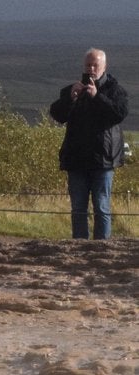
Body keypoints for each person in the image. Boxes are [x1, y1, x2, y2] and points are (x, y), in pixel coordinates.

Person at [48, 48, 128, 239]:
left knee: (101, 205)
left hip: (103, 159)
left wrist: (96, 96)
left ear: (104, 67)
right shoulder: (73, 89)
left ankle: (102, 249)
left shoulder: (115, 90)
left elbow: (118, 114)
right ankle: (80, 248)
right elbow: (57, 114)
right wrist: (70, 98)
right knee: (78, 207)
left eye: (95, 65)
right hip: (76, 159)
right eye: (88, 65)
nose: (91, 69)